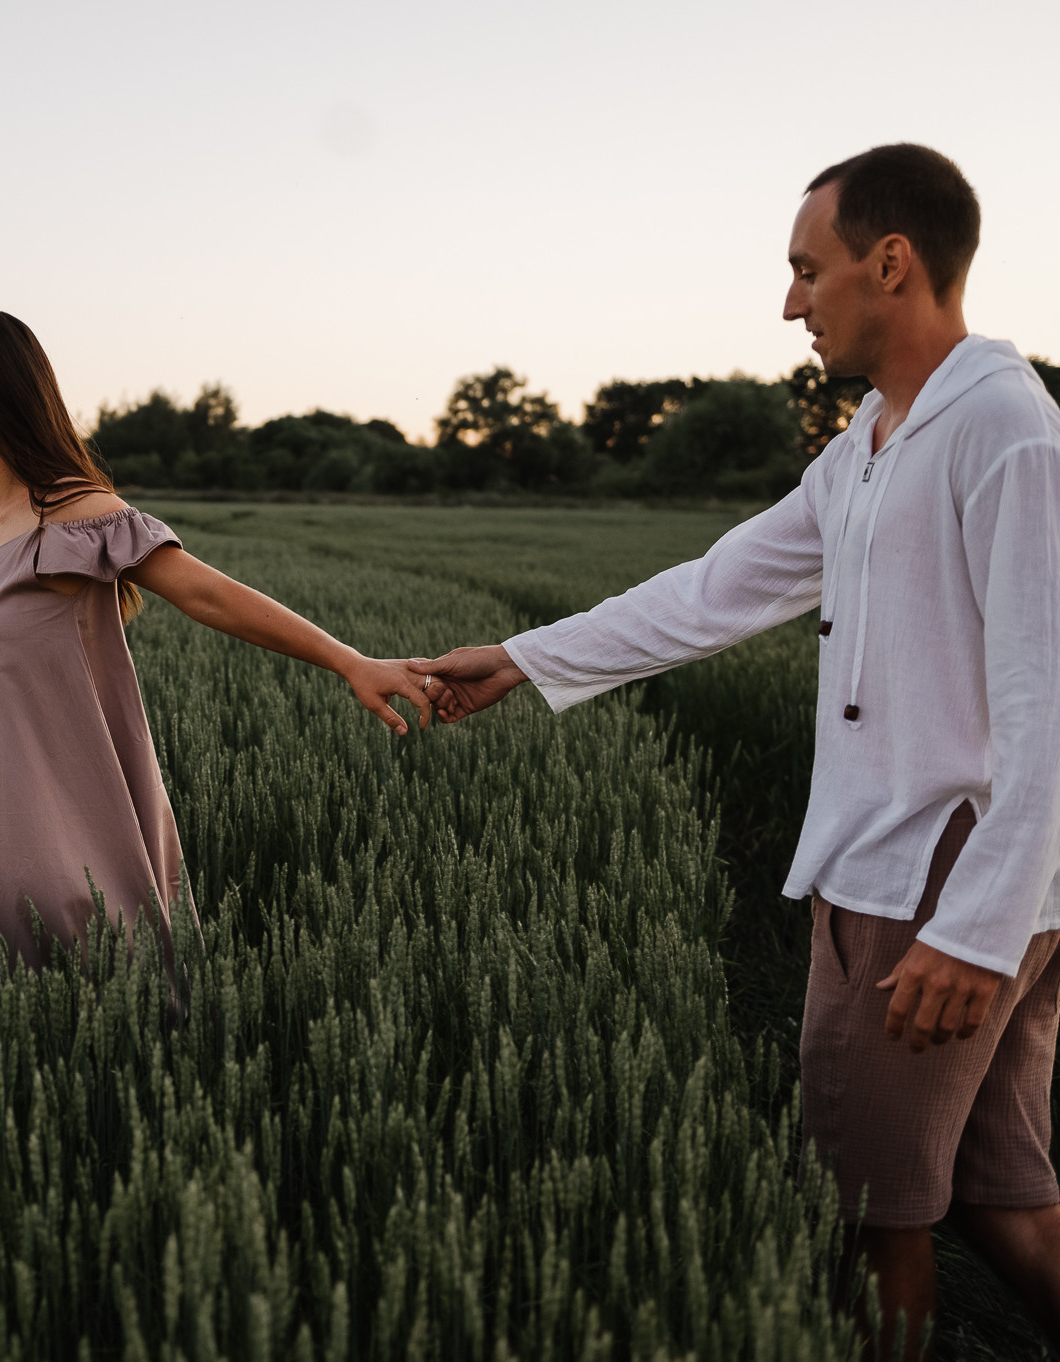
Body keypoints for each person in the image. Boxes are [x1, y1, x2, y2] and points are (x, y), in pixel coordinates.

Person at [414, 145, 1060, 1360]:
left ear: (891, 262)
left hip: (934, 878)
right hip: (932, 871)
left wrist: (973, 927)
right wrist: (524, 656)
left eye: (805, 271)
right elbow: (716, 591)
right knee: (1001, 1197)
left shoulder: (1006, 429)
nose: (789, 304)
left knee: (872, 1218)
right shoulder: (873, 440)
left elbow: (1049, 699)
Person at [0, 310, 431, 970]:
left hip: (51, 836)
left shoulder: (74, 515)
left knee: (84, 1007)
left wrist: (349, 662)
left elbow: (205, 593)